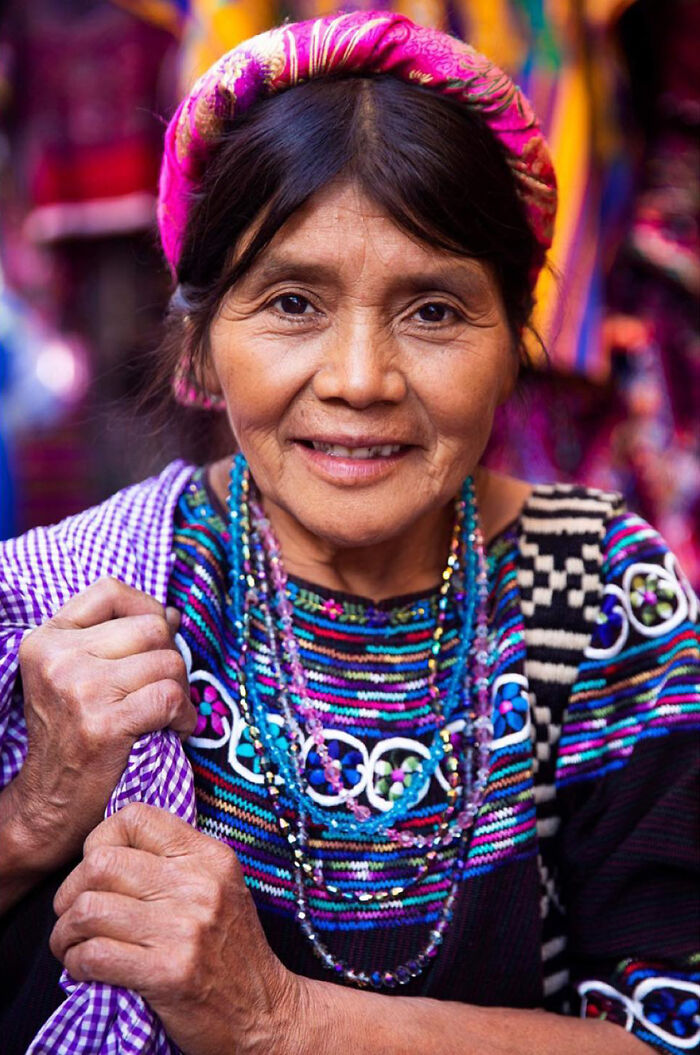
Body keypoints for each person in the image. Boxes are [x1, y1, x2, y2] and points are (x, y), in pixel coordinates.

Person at [0, 11, 698, 1054]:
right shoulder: (74, 610)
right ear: (198, 344)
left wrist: (280, 1018)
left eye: (431, 311)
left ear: (514, 343)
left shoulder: (601, 600)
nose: (360, 378)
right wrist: (34, 809)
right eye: (290, 301)